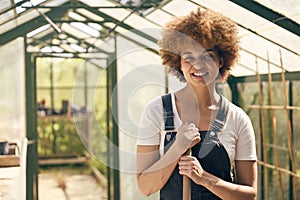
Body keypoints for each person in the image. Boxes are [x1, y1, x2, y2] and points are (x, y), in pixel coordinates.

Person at [136, 8, 257, 200]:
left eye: (207, 56)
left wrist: (205, 179)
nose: (198, 65)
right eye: (188, 58)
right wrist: (176, 148)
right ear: (179, 63)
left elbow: (249, 195)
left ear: (221, 61)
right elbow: (145, 187)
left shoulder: (237, 118)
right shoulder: (157, 111)